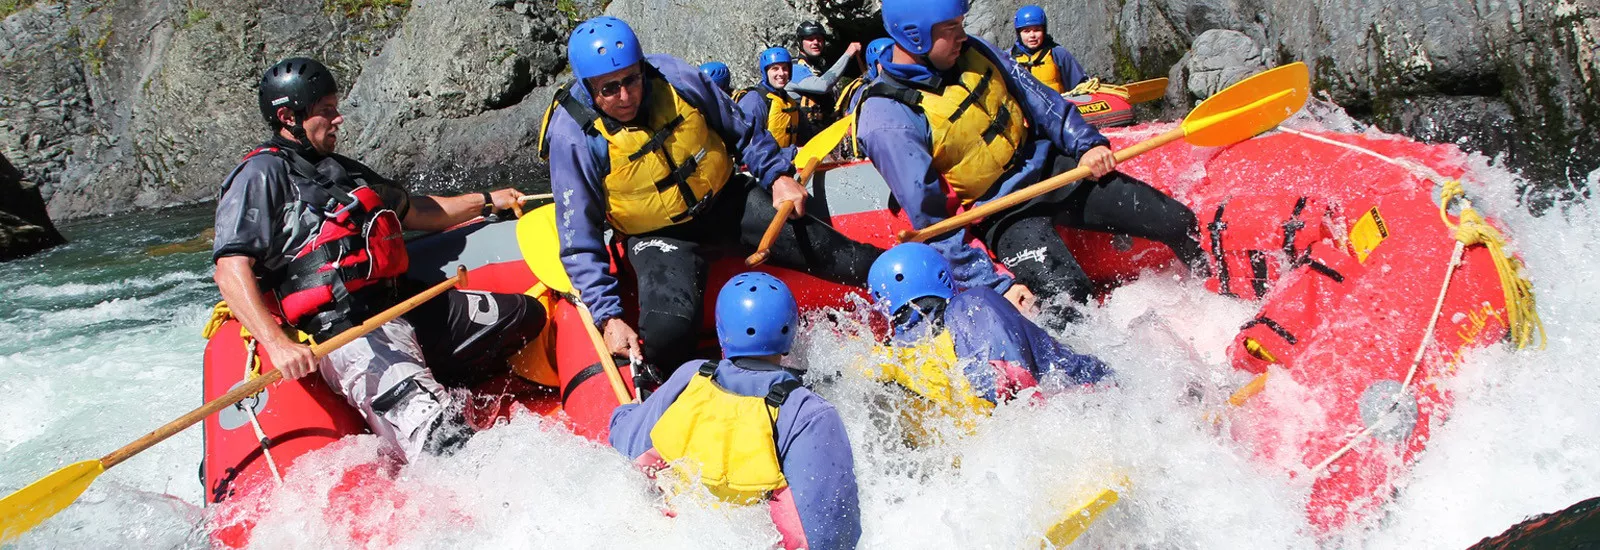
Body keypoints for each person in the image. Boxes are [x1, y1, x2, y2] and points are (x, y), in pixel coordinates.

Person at [212, 58, 545, 461]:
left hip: (401, 305)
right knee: (445, 444)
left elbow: (420, 212)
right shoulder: (260, 174)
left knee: (525, 315)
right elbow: (230, 269)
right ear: (289, 116)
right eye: (326, 111)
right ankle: (418, 414)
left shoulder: (343, 172)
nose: (338, 119)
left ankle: (429, 387)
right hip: (349, 331)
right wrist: (277, 344)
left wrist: (488, 201)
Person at [539, 17, 882, 379]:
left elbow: (742, 130)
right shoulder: (572, 136)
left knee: (833, 251)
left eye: (631, 80)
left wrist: (777, 176)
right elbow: (580, 239)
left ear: (641, 68)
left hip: (727, 200)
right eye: (609, 89)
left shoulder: (675, 77)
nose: (625, 97)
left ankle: (912, 295)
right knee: (667, 333)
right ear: (588, 86)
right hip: (658, 235)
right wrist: (607, 315)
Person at [853, 0, 1208, 326]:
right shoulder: (886, 117)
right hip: (1001, 212)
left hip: (1054, 169)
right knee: (1072, 303)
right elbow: (935, 223)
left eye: (961, 24)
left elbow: (1040, 101)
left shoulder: (975, 50)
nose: (962, 35)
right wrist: (993, 283)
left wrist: (1085, 145)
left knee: (1179, 222)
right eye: (950, 29)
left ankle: (1219, 299)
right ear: (914, 37)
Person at [609, 272, 861, 550]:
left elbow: (627, 444)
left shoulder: (691, 375)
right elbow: (832, 533)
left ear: (721, 331)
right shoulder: (809, 413)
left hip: (677, 532)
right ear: (790, 333)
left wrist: (624, 414)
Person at [866, 243, 1108, 419]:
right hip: (1076, 405)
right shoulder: (972, 305)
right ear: (944, 278)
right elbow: (1010, 385)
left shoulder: (883, 359)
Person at [735, 47, 815, 150]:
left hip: (786, 162)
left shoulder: (789, 101)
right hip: (762, 164)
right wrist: (791, 153)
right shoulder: (755, 100)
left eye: (785, 68)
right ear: (765, 72)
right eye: (775, 69)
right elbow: (750, 146)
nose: (781, 73)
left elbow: (805, 136)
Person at [788, 20, 861, 128]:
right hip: (803, 137)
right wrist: (848, 54)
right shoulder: (794, 68)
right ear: (800, 42)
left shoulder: (820, 68)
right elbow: (822, 86)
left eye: (819, 39)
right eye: (810, 39)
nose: (816, 42)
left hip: (823, 130)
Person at [1008, 5, 1090, 94]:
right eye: (1026, 31)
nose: (1032, 35)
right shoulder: (1008, 58)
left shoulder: (1058, 54)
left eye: (1037, 30)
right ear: (1019, 33)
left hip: (1057, 107)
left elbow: (1081, 86)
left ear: (1044, 31)